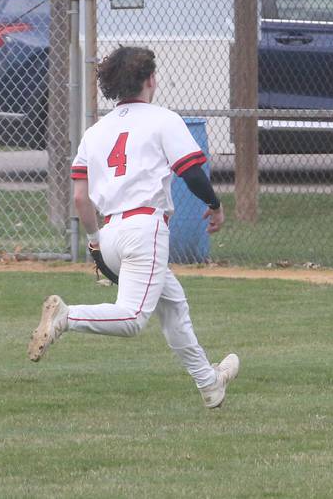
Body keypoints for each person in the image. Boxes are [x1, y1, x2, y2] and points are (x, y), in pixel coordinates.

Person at [26, 46, 239, 408]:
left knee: (173, 307)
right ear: (150, 80)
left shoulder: (95, 131)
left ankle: (210, 383)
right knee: (133, 318)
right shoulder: (163, 119)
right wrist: (215, 206)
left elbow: (81, 198)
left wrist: (95, 243)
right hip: (145, 228)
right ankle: (67, 316)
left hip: (110, 233)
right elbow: (191, 172)